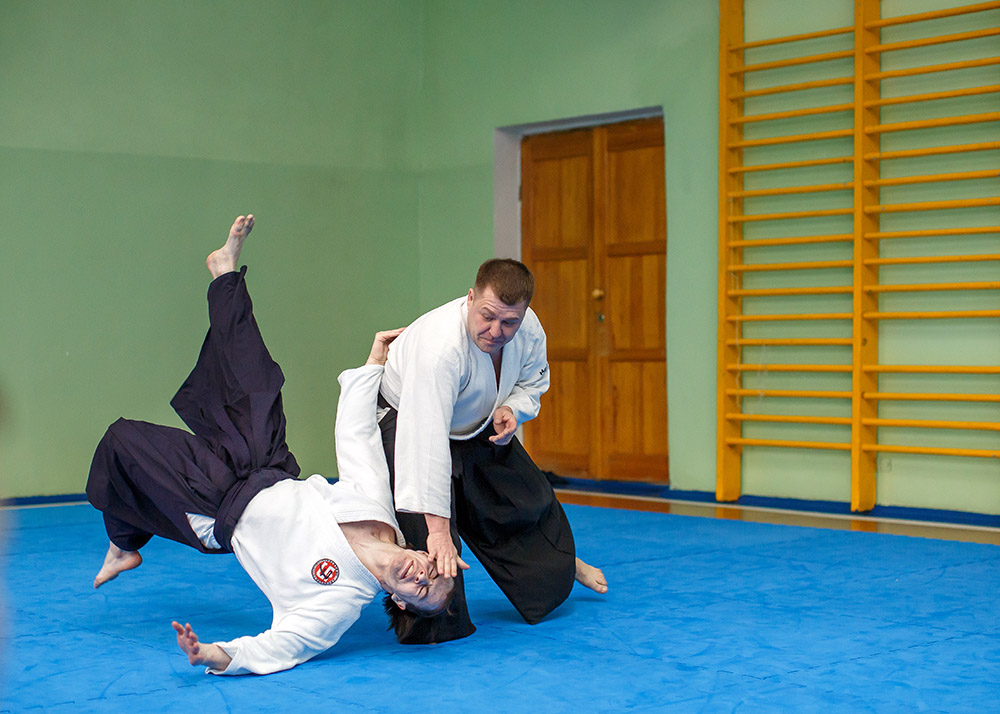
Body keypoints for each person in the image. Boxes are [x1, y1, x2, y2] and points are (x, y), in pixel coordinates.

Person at [86, 215, 454, 676]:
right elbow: (359, 441)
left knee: (123, 442)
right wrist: (373, 363)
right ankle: (224, 271)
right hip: (266, 464)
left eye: (422, 591)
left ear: (399, 601)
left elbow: (283, 645)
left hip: (219, 505)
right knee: (254, 376)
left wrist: (211, 653)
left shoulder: (339, 601)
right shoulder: (381, 516)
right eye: (432, 572)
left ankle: (123, 542)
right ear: (424, 554)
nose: (423, 577)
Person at [378, 257, 607, 644]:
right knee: (429, 542)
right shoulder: (439, 348)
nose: (496, 331)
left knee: (522, 501)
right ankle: (436, 622)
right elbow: (425, 441)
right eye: (487, 316)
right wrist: (438, 531)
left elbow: (533, 381)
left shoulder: (528, 328)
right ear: (470, 298)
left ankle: (567, 567)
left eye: (509, 322)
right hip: (406, 420)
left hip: (477, 420)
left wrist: (512, 409)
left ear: (524, 314)